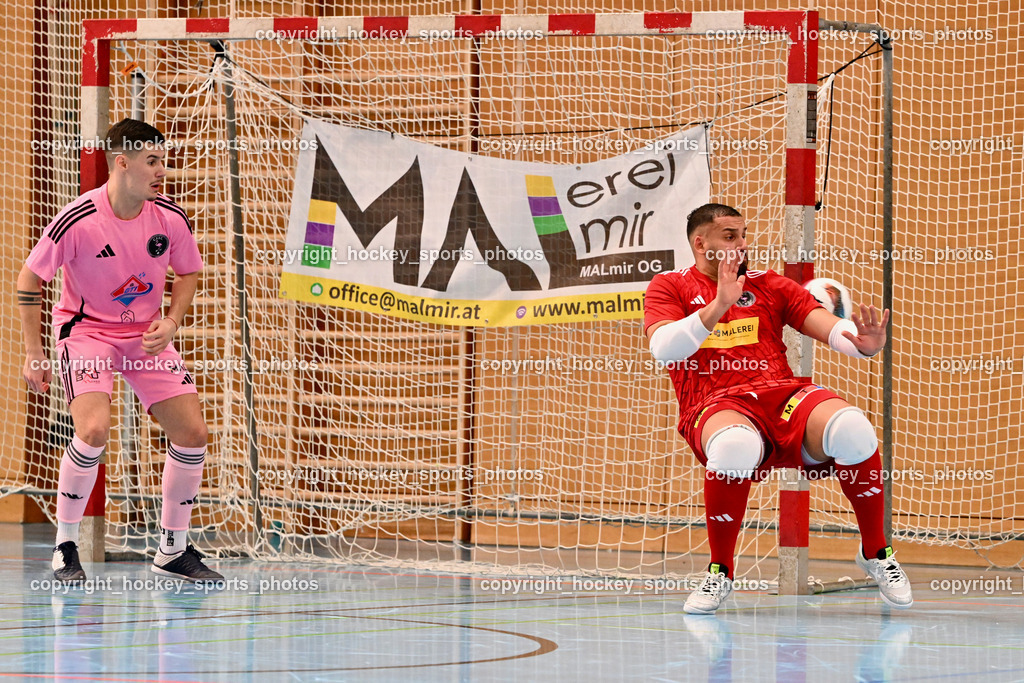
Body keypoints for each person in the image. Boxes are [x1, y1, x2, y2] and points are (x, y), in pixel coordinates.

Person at [644, 203, 911, 614]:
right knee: (733, 446)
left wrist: (860, 343)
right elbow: (665, 349)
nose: (741, 243)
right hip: (715, 402)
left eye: (743, 234)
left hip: (781, 394)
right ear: (700, 243)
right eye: (729, 236)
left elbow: (825, 323)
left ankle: (876, 552)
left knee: (853, 428)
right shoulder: (669, 285)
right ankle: (720, 571)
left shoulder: (768, 284)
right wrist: (718, 305)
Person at [18, 118, 222, 582]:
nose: (161, 170)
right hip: (87, 334)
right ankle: (65, 547)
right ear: (122, 163)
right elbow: (29, 280)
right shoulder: (78, 219)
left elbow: (188, 272)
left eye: (163, 160)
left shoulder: (169, 218)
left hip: (144, 336)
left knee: (193, 434)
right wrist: (34, 353)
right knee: (92, 430)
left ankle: (172, 550)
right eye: (152, 161)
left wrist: (171, 321)